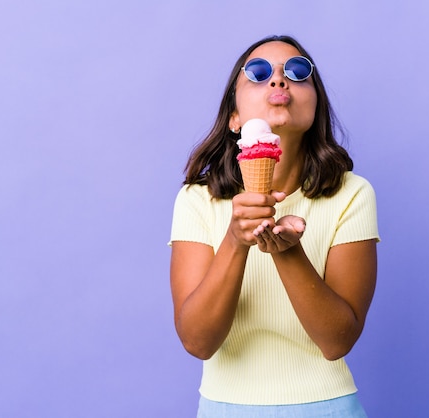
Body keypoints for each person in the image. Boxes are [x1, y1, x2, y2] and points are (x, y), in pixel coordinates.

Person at [169, 34, 379, 418]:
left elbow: (337, 341)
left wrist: (289, 253)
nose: (280, 81)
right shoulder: (197, 201)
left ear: (316, 106)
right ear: (234, 116)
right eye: (259, 73)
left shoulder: (352, 194)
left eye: (299, 73)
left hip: (327, 408)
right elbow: (198, 341)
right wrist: (235, 240)